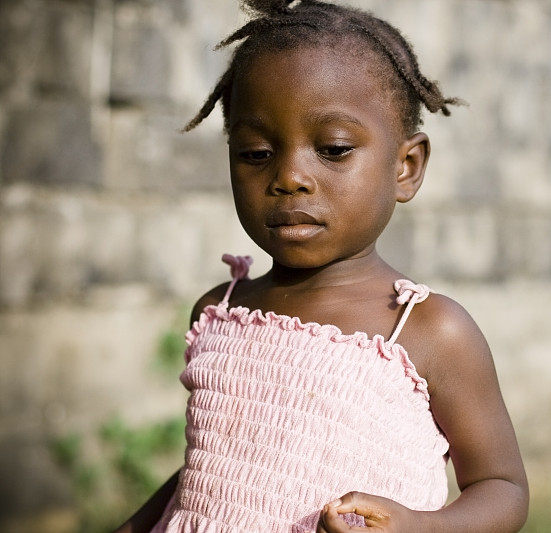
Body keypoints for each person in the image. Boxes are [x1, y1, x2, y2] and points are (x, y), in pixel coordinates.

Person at [115, 0, 528, 531]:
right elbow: (209, 470)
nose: (290, 176)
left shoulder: (429, 331)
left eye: (332, 149)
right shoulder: (221, 310)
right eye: (256, 152)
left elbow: (502, 488)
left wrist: (420, 525)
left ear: (406, 167)